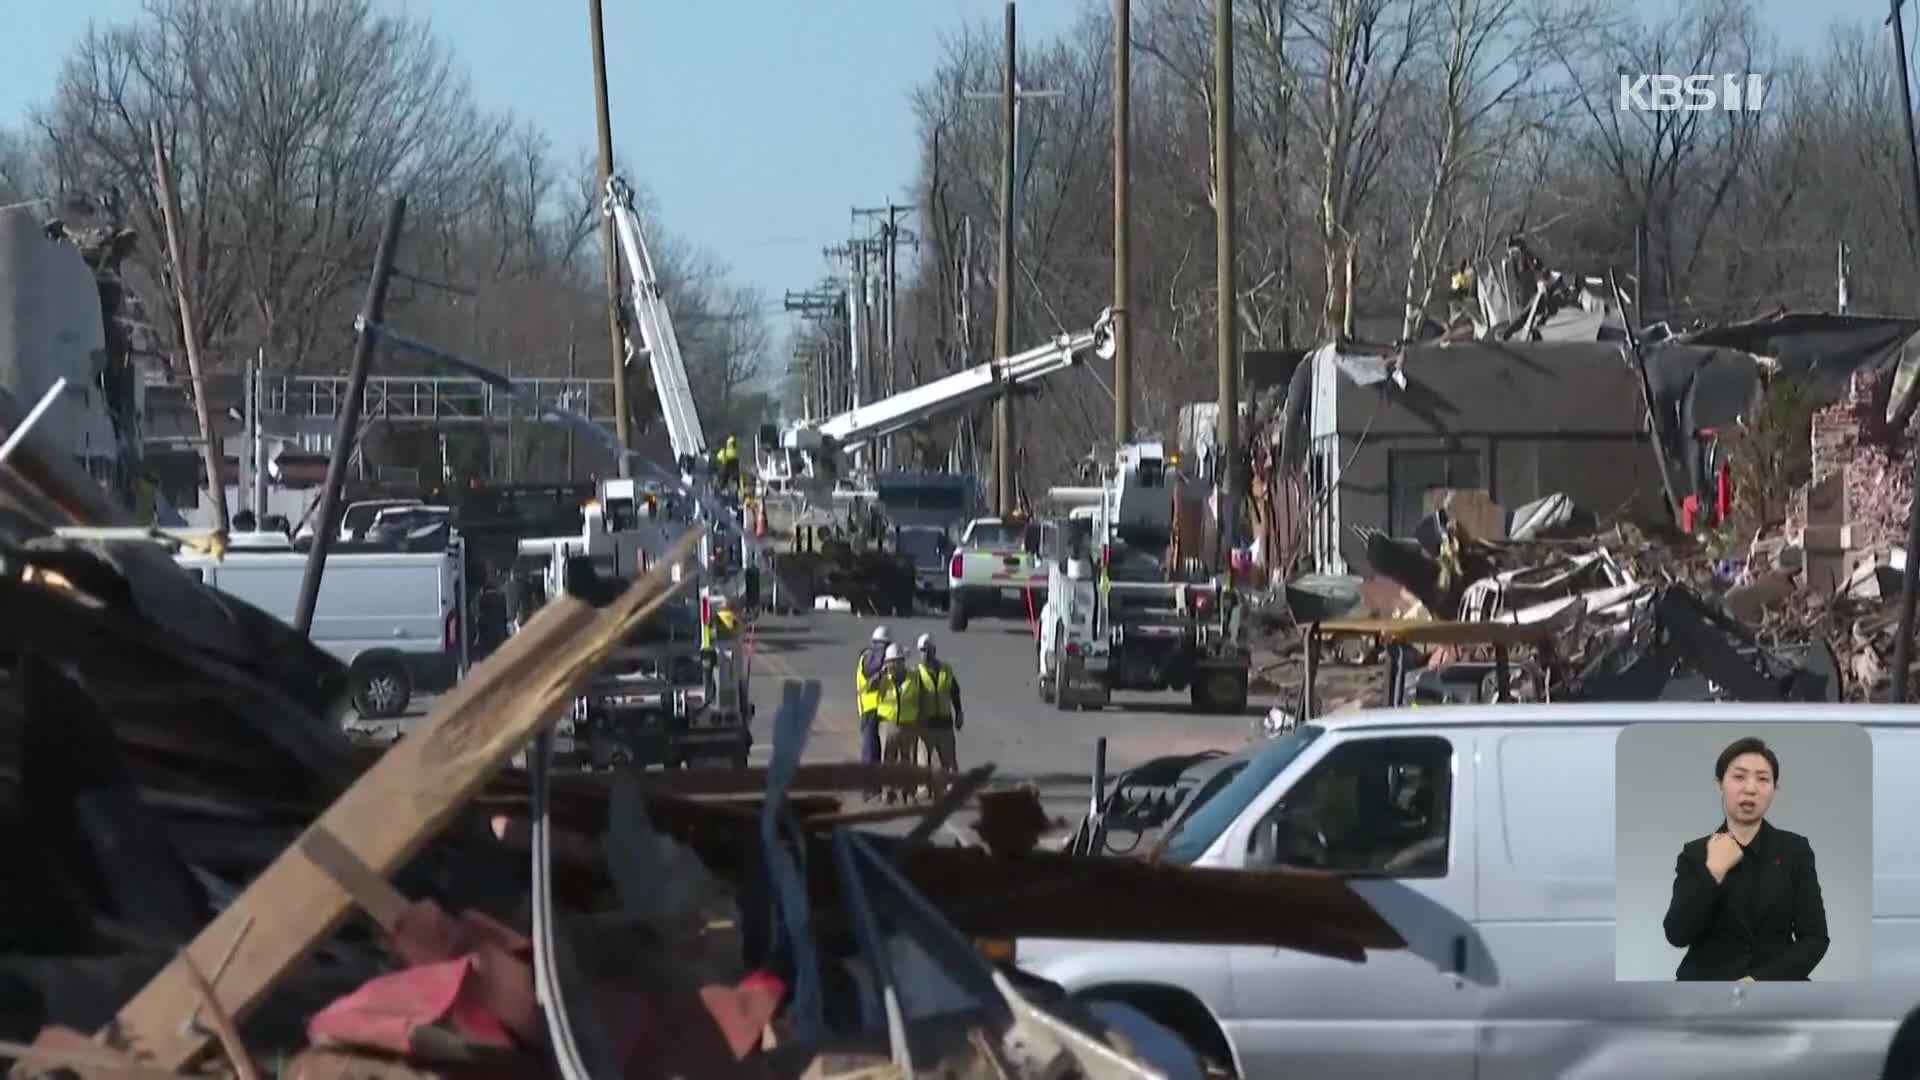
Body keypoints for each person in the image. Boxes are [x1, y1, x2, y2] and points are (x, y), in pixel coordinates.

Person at [1662, 736, 1829, 981]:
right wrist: (1713, 871)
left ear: (1774, 789)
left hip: (1777, 989)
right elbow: (1677, 935)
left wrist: (1760, 981)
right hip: (1707, 991)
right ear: (1719, 784)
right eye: (1739, 777)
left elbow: (1815, 938)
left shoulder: (1795, 850)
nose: (1750, 788)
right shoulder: (1695, 853)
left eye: (1763, 779)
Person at [873, 642, 924, 801]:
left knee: (908, 761)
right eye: (893, 661)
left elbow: (921, 698)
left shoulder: (914, 676)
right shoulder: (883, 679)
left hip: (909, 725)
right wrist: (880, 674)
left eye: (899, 660)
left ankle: (908, 792)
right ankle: (887, 792)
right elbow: (869, 688)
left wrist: (920, 720)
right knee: (888, 761)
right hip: (888, 725)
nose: (896, 664)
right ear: (887, 663)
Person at [914, 632, 963, 773]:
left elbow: (954, 692)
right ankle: (925, 791)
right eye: (922, 650)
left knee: (950, 765)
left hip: (945, 725)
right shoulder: (916, 673)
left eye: (928, 650)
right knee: (923, 765)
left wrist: (959, 712)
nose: (925, 654)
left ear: (934, 650)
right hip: (925, 727)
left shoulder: (946, 670)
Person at [854, 625, 892, 770]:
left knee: (879, 751)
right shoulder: (870, 658)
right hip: (870, 710)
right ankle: (869, 786)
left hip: (882, 710)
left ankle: (875, 785)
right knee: (871, 751)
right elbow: (872, 672)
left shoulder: (874, 657)